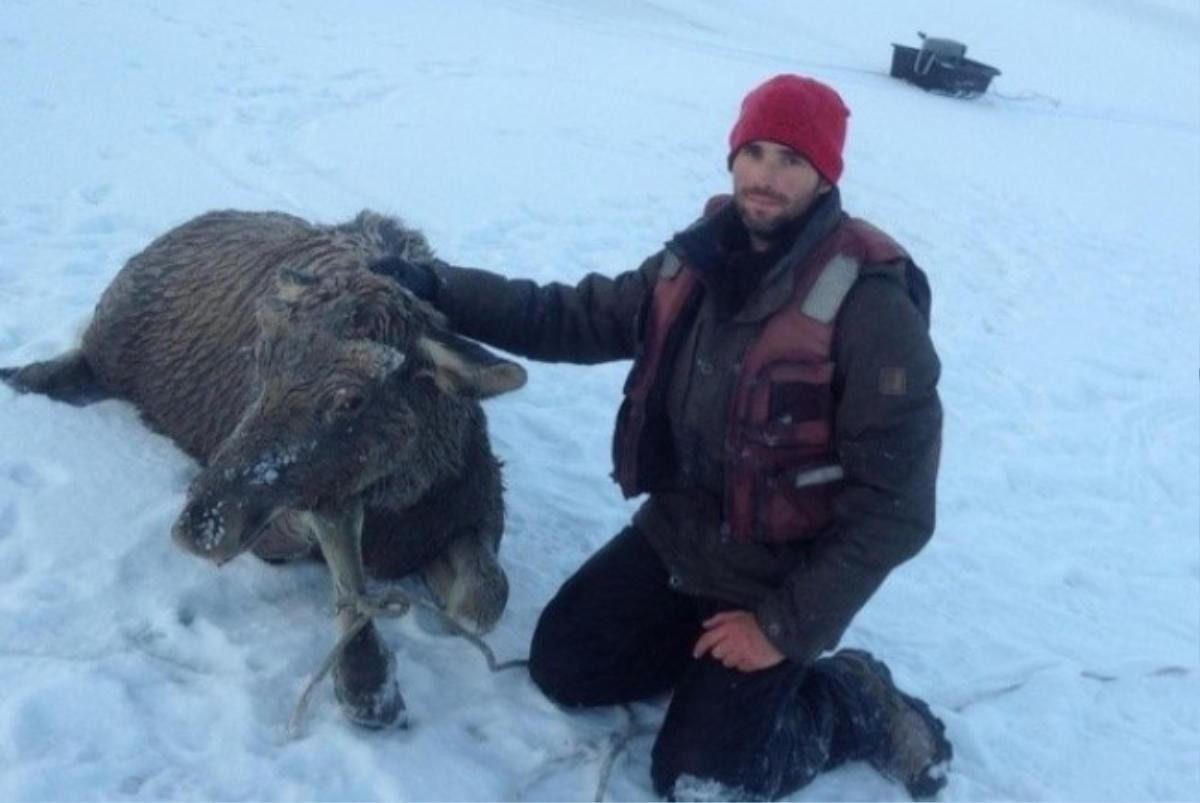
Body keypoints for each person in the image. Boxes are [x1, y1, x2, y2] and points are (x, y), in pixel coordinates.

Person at [375, 74, 951, 801]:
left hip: (779, 576)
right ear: (732, 156)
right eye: (755, 152)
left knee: (700, 779)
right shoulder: (696, 260)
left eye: (791, 161)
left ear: (824, 174)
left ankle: (851, 700)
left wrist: (779, 628)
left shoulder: (870, 305)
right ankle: (715, 672)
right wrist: (436, 287)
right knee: (566, 666)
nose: (765, 178)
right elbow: (568, 316)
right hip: (678, 540)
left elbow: (897, 507)